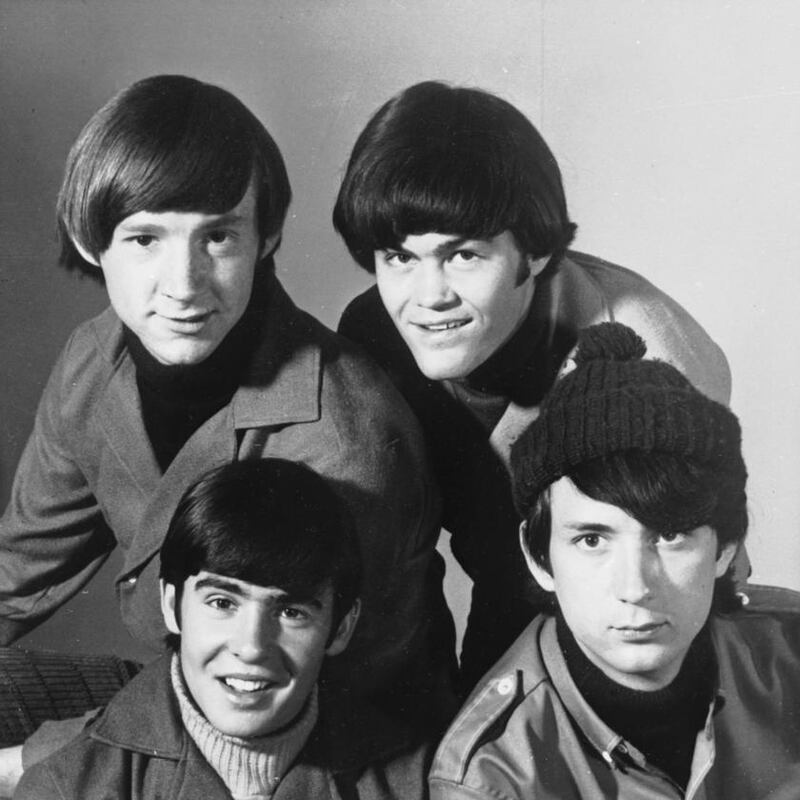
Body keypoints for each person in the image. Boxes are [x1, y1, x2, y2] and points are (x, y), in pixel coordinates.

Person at [0, 74, 456, 788]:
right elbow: (16, 575)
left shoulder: (344, 437)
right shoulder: (92, 362)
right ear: (92, 242)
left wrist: (33, 764)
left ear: (266, 236)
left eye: (217, 237)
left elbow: (291, 692)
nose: (183, 284)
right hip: (186, 685)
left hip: (326, 749)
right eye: (145, 238)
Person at [333, 80, 738, 690]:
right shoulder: (373, 333)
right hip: (504, 589)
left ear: (538, 251)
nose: (428, 297)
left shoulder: (651, 361)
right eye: (400, 257)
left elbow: (671, 585)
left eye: (464, 256)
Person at [428, 322, 800, 799]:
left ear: (726, 548)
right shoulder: (491, 779)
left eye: (669, 535)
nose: (635, 587)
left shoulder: (791, 652)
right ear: (539, 558)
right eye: (591, 540)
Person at [15, 459, 432, 799]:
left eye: (291, 612)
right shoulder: (67, 786)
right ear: (171, 606)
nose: (251, 647)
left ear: (341, 627)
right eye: (222, 603)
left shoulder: (416, 784)